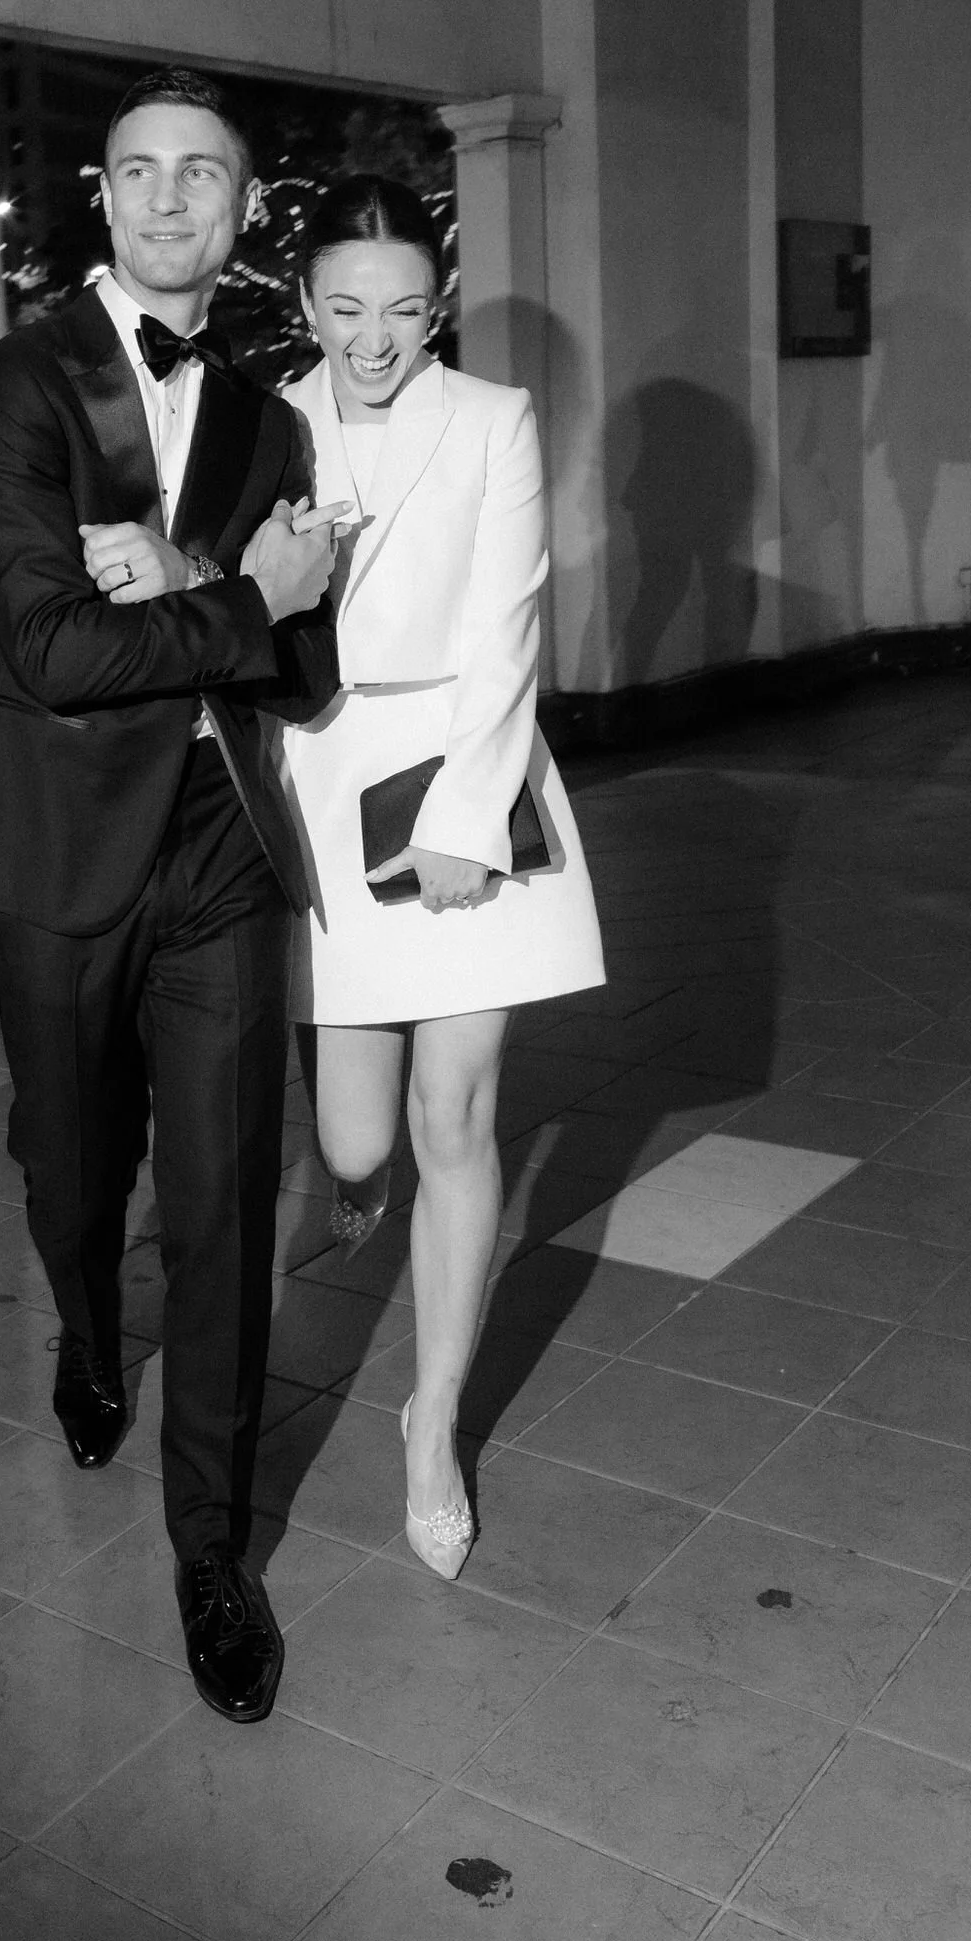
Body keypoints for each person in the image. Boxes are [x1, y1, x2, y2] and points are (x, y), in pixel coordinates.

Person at [0, 68, 342, 1722]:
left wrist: (212, 592)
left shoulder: (271, 419)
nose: (171, 203)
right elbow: (53, 653)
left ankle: (214, 1554)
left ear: (239, 216)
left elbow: (302, 672)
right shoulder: (9, 387)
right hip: (62, 859)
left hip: (222, 854)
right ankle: (91, 1339)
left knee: (225, 1205)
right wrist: (229, 597)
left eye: (204, 180)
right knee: (79, 1177)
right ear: (103, 195)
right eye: (141, 174)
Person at [278, 174, 605, 1578]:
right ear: (303, 304)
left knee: (455, 1117)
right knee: (357, 1146)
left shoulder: (491, 420)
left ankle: (434, 1424)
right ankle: (362, 1184)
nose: (374, 336)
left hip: (467, 772)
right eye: (346, 308)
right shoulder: (260, 425)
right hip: (320, 778)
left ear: (437, 308)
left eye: (405, 310)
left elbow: (510, 618)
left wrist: (470, 817)